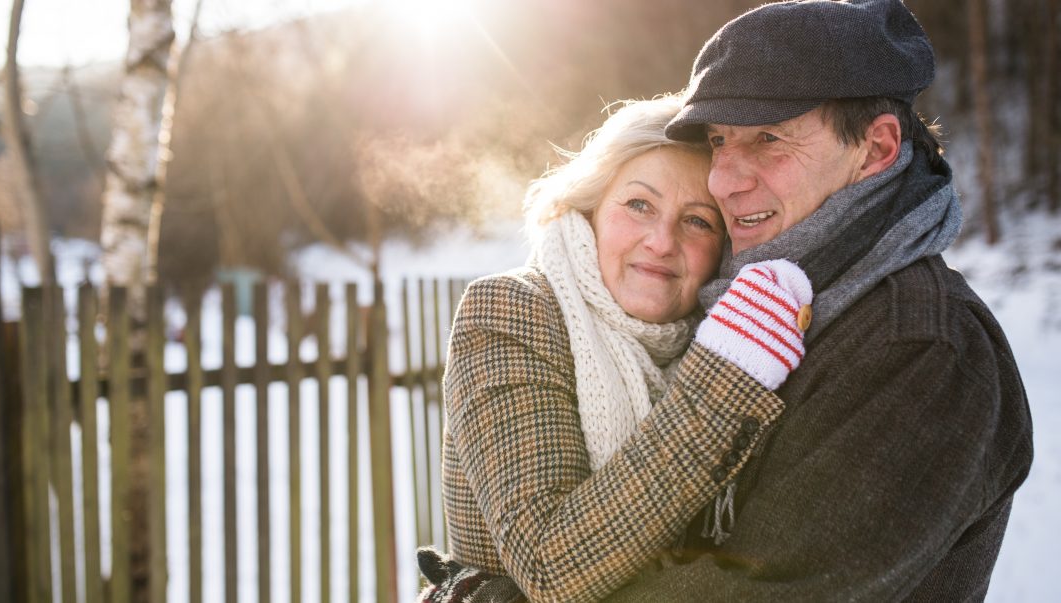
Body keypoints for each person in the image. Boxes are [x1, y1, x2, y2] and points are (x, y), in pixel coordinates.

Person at [601, 0, 1034, 601]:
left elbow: (764, 591)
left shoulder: (921, 349)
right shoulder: (747, 306)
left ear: (877, 148)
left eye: (770, 139)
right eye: (719, 140)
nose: (724, 179)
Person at [417, 94, 815, 603]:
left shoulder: (726, 330)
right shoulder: (512, 311)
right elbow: (550, 564)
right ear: (591, 210)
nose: (661, 241)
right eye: (639, 205)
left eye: (698, 220)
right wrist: (726, 375)